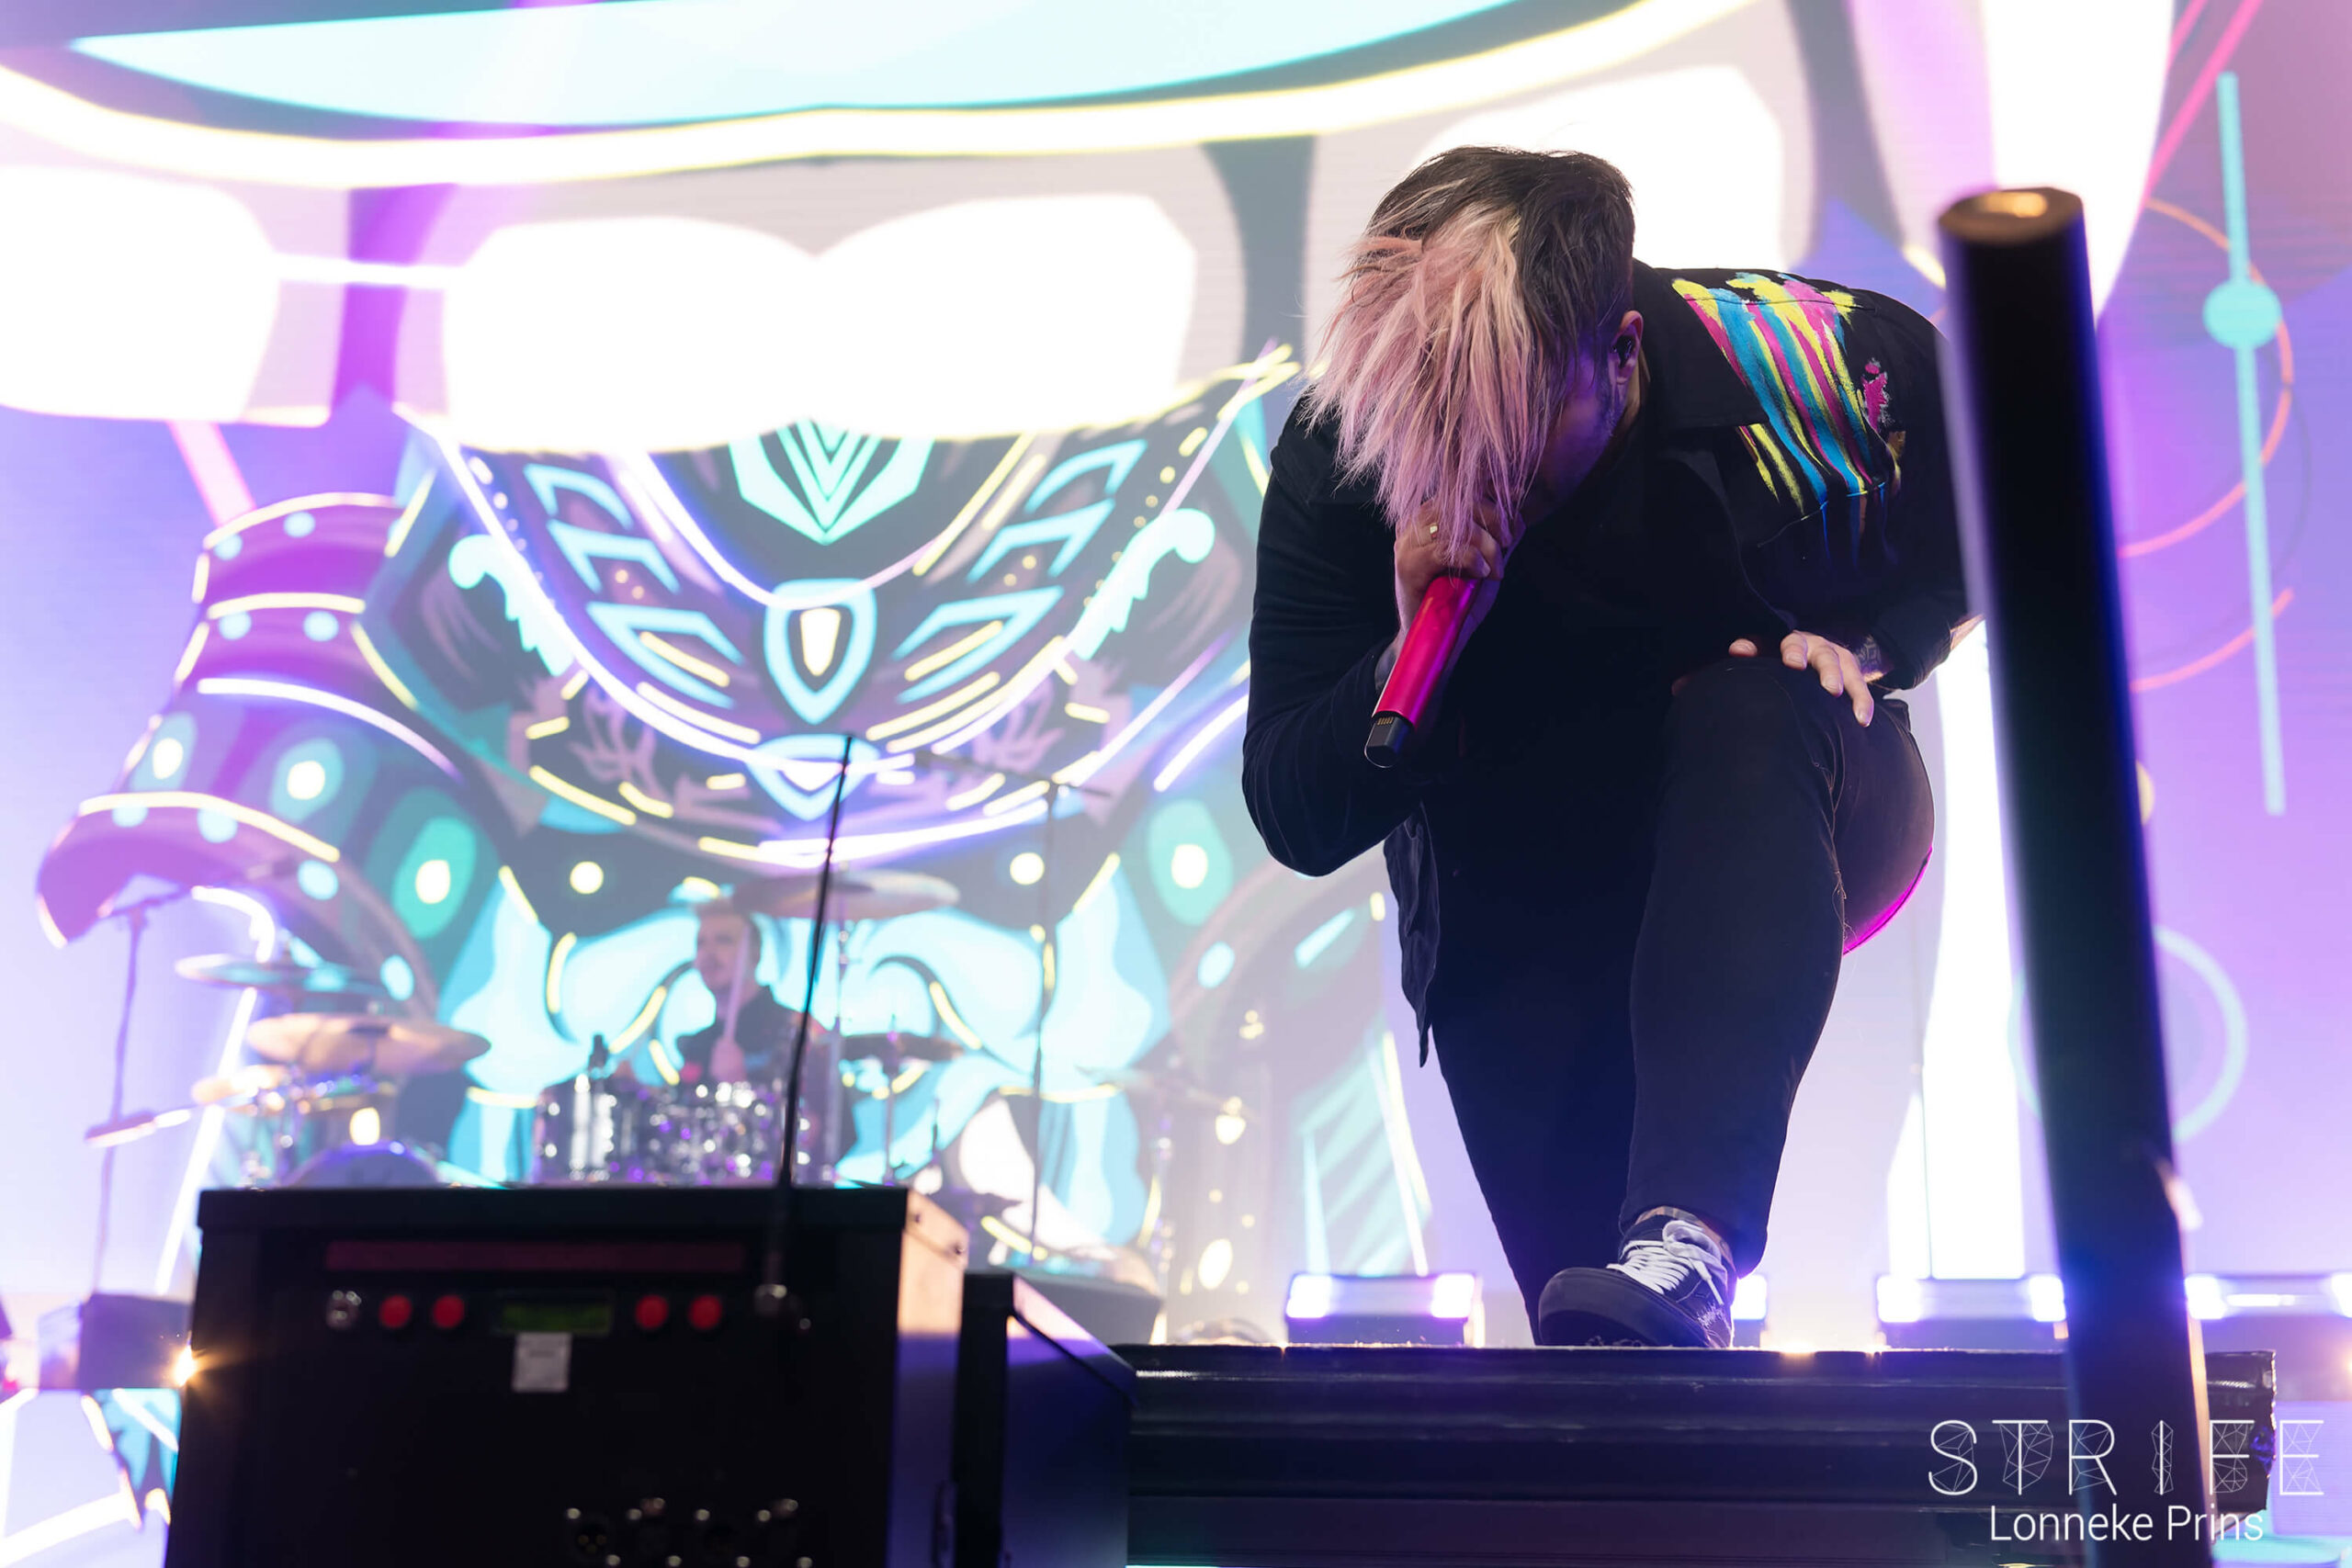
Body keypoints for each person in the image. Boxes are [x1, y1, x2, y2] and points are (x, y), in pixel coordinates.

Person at [1242, 147, 1966, 1348]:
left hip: (1786, 786)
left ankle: (1696, 1231)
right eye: (1429, 418)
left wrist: (1877, 647)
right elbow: (1296, 809)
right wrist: (1409, 647)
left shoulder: (1812, 360)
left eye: (1503, 423)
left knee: (1748, 697)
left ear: (1620, 355)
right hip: (1522, 883)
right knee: (1603, 1344)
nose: (1457, 458)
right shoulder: (1349, 443)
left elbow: (2018, 515)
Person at [641, 902, 806, 1085]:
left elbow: (816, 1101)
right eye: (701, 943)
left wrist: (740, 1084)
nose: (708, 953)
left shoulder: (796, 1031)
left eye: (723, 940)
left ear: (755, 954)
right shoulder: (698, 1045)